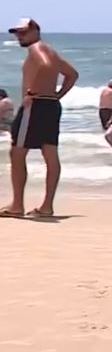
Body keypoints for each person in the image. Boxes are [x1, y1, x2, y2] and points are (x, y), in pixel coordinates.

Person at [1, 18, 78, 218]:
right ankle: (47, 206)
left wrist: (32, 91)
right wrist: (58, 95)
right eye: (17, 33)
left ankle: (17, 205)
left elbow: (44, 66)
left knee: (17, 153)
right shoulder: (50, 50)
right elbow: (72, 74)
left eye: (23, 32)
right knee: (50, 153)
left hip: (35, 105)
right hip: (51, 105)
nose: (19, 36)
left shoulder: (36, 49)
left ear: (35, 30)